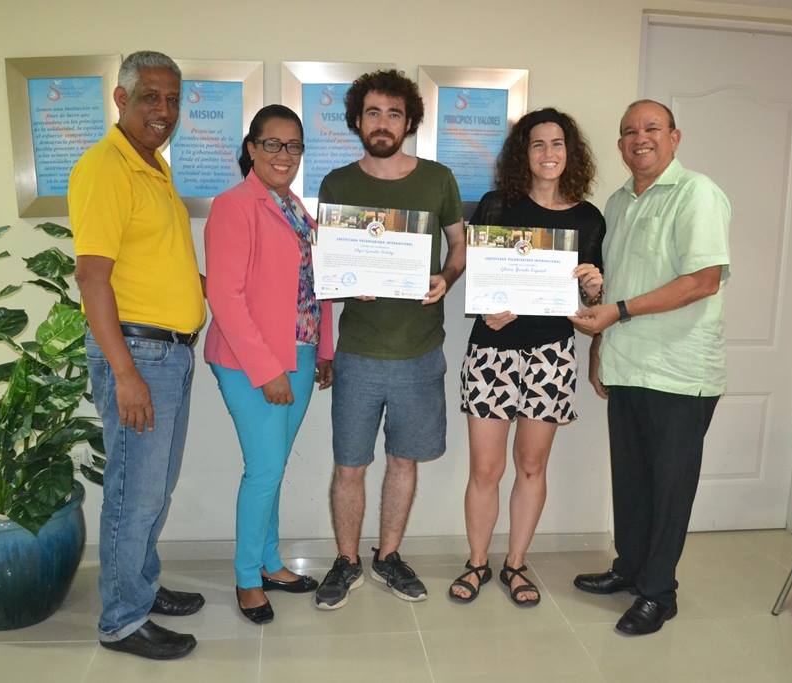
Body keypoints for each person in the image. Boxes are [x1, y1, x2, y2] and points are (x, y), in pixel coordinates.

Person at [569, 99, 731, 636]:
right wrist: (599, 347)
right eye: (629, 131)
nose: (641, 138)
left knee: (669, 488)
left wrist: (619, 312)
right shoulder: (616, 202)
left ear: (675, 137)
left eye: (652, 128)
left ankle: (659, 593)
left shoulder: (697, 194)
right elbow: (614, 283)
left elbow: (702, 280)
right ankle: (631, 569)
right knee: (633, 482)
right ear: (620, 145)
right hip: (628, 363)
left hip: (680, 371)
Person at [313, 69, 465, 610]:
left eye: (394, 113)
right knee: (349, 466)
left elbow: (458, 247)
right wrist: (347, 284)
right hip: (359, 353)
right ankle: (347, 560)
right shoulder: (337, 184)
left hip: (420, 353)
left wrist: (446, 279)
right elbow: (327, 263)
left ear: (409, 121)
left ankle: (389, 556)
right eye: (373, 112)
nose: (383, 123)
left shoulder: (438, 179)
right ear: (357, 119)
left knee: (405, 461)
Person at [70, 50, 205, 660]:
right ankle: (122, 621)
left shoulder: (152, 165)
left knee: (156, 487)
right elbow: (92, 278)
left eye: (173, 99)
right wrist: (124, 373)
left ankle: (140, 589)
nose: (164, 110)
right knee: (134, 491)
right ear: (121, 100)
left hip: (167, 354)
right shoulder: (106, 167)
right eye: (151, 97)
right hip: (139, 355)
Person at [449, 109, 604, 606]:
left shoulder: (588, 218)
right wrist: (488, 307)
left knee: (532, 466)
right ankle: (477, 563)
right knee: (485, 470)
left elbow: (590, 300)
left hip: (551, 356)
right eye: (537, 145)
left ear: (570, 152)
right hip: (492, 352)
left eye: (558, 144)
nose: (549, 154)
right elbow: (480, 276)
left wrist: (595, 289)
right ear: (524, 153)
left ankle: (515, 565)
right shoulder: (497, 205)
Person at [204, 105, 334, 624]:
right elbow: (226, 297)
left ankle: (271, 562)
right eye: (273, 144)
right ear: (252, 149)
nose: (285, 155)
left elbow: (317, 286)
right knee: (263, 469)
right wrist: (267, 370)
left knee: (273, 466)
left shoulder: (298, 209)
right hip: (248, 361)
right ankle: (245, 578)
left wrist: (324, 352)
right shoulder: (235, 206)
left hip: (301, 355)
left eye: (294, 146)